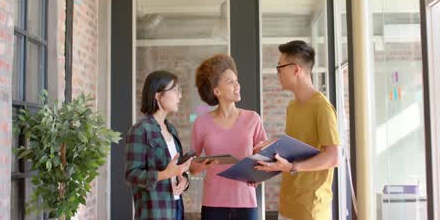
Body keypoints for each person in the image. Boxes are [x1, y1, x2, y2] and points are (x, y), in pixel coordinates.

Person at [254, 40, 341, 220]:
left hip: (311, 209)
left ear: (296, 69)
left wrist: (293, 167)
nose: (278, 73)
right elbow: (298, 145)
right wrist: (273, 143)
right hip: (288, 205)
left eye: (280, 68)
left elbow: (333, 157)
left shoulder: (322, 107)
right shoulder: (292, 106)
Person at [190, 54, 267, 220]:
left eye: (236, 80)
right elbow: (191, 168)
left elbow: (265, 160)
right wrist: (204, 165)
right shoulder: (201, 123)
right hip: (213, 204)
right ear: (216, 90)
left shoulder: (253, 118)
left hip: (246, 202)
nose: (237, 85)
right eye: (230, 82)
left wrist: (259, 176)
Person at [125, 70, 193, 220]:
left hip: (176, 208)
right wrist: (165, 174)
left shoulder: (171, 129)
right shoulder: (140, 130)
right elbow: (131, 175)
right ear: (157, 95)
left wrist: (184, 180)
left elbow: (175, 169)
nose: (179, 96)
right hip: (154, 212)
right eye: (175, 91)